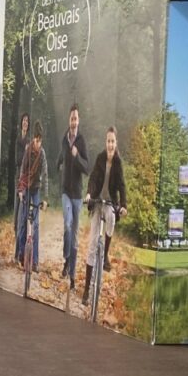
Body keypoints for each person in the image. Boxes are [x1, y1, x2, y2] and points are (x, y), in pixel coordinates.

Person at [82, 127, 128, 304]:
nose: (110, 144)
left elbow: (122, 186)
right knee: (92, 245)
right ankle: (86, 291)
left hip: (109, 203)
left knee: (112, 220)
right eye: (108, 141)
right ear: (106, 142)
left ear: (116, 144)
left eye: (113, 141)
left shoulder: (118, 163)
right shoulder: (100, 158)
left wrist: (123, 205)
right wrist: (88, 194)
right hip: (97, 202)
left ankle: (106, 254)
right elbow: (93, 178)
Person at [56, 103, 89, 288]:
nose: (74, 122)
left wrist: (77, 157)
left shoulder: (81, 141)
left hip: (77, 195)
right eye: (72, 118)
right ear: (69, 120)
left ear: (79, 120)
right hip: (65, 192)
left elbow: (87, 167)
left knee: (74, 238)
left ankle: (72, 275)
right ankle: (67, 258)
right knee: (67, 225)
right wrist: (57, 165)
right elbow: (61, 156)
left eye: (76, 118)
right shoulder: (64, 139)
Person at [15, 120, 48, 270]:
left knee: (35, 225)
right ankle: (22, 254)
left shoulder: (42, 155)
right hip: (26, 188)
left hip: (36, 190)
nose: (37, 142)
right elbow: (22, 172)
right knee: (23, 222)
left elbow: (45, 176)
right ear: (33, 138)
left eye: (39, 140)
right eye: (36, 139)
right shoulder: (28, 150)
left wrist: (45, 199)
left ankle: (34, 261)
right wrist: (21, 191)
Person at [13, 113, 30, 234]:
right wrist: (25, 151)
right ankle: (15, 229)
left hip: (26, 176)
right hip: (19, 174)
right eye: (24, 120)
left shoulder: (29, 140)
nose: (25, 122)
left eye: (27, 121)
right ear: (21, 123)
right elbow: (17, 160)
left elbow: (29, 160)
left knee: (24, 203)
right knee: (17, 203)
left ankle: (22, 231)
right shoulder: (18, 140)